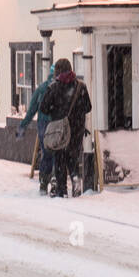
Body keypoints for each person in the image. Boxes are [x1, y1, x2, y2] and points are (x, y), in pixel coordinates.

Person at [37, 58, 92, 198]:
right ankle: (75, 177)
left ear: (58, 71)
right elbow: (88, 107)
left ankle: (62, 190)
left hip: (60, 129)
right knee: (73, 156)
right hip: (77, 129)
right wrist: (76, 115)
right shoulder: (81, 87)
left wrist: (56, 112)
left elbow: (43, 108)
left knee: (60, 157)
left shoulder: (54, 87)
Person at [17, 63, 56, 195]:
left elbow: (32, 110)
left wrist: (23, 125)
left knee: (46, 154)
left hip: (44, 125)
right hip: (58, 125)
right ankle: (55, 180)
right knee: (58, 153)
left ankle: (44, 183)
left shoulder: (42, 88)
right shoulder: (62, 88)